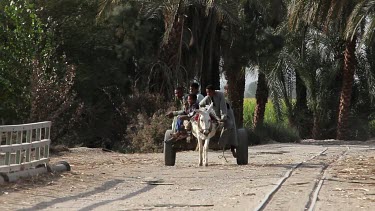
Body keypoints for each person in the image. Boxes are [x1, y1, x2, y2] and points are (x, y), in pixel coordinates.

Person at [199, 84, 238, 157]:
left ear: (214, 92)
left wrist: (222, 118)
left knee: (230, 125)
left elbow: (223, 108)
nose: (208, 94)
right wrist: (205, 110)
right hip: (215, 115)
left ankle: (224, 144)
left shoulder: (220, 95)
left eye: (209, 92)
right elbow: (200, 104)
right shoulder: (207, 97)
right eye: (207, 92)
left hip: (227, 113)